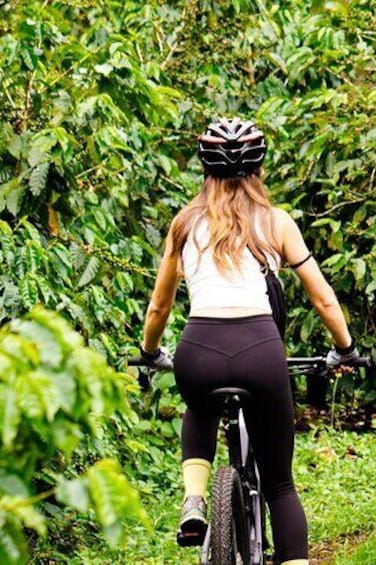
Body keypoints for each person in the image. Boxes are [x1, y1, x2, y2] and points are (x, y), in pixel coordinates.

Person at [139, 117, 360, 565]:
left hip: (198, 349)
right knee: (280, 485)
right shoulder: (275, 223)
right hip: (261, 349)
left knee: (198, 406)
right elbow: (322, 296)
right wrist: (345, 347)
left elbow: (159, 308)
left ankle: (195, 499)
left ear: (205, 169)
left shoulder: (183, 224)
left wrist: (149, 353)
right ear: (258, 169)